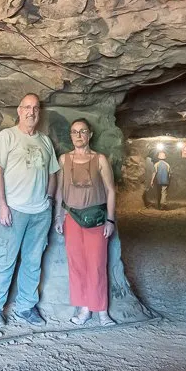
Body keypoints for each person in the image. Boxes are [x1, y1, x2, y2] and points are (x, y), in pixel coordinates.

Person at [0, 93, 60, 327]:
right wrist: (3, 205)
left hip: (40, 212)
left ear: (39, 112)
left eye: (35, 108)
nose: (31, 112)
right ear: (19, 110)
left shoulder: (45, 141)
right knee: (5, 259)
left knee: (33, 261)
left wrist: (49, 200)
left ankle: (26, 306)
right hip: (14, 209)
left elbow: (53, 173)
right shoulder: (7, 136)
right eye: (27, 107)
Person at [53, 119, 117, 326]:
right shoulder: (64, 159)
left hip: (96, 218)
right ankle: (84, 309)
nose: (78, 135)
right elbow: (59, 191)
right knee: (77, 264)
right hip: (72, 217)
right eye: (74, 132)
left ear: (90, 134)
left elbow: (110, 190)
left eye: (82, 131)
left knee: (97, 264)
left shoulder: (99, 159)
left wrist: (110, 219)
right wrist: (59, 217)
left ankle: (102, 311)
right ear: (70, 135)